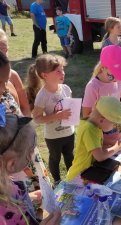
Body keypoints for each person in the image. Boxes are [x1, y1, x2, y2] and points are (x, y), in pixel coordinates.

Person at [0, 113, 61, 225]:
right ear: (11, 164)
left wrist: (28, 197)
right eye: (31, 150)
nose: (33, 154)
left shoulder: (6, 181)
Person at [27, 54, 74, 186]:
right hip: (53, 136)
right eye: (58, 71)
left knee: (70, 156)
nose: (62, 73)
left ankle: (72, 178)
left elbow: (69, 107)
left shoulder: (66, 89)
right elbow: (37, 118)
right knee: (55, 158)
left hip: (69, 132)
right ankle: (57, 181)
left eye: (62, 69)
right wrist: (56, 116)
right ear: (45, 75)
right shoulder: (42, 96)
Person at [66, 96, 121, 182]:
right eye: (114, 124)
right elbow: (100, 156)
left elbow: (97, 141)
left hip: (89, 172)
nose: (114, 127)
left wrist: (114, 142)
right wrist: (116, 147)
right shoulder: (90, 129)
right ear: (102, 120)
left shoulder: (92, 123)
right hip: (79, 176)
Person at [82, 45, 121, 145]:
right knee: (108, 155)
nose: (117, 79)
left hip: (118, 125)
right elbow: (86, 115)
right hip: (102, 130)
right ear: (103, 67)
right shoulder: (93, 87)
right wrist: (105, 122)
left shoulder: (117, 79)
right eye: (115, 75)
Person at [0, 29, 31, 116]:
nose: (4, 55)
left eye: (5, 50)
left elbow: (25, 107)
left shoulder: (12, 75)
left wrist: (27, 128)